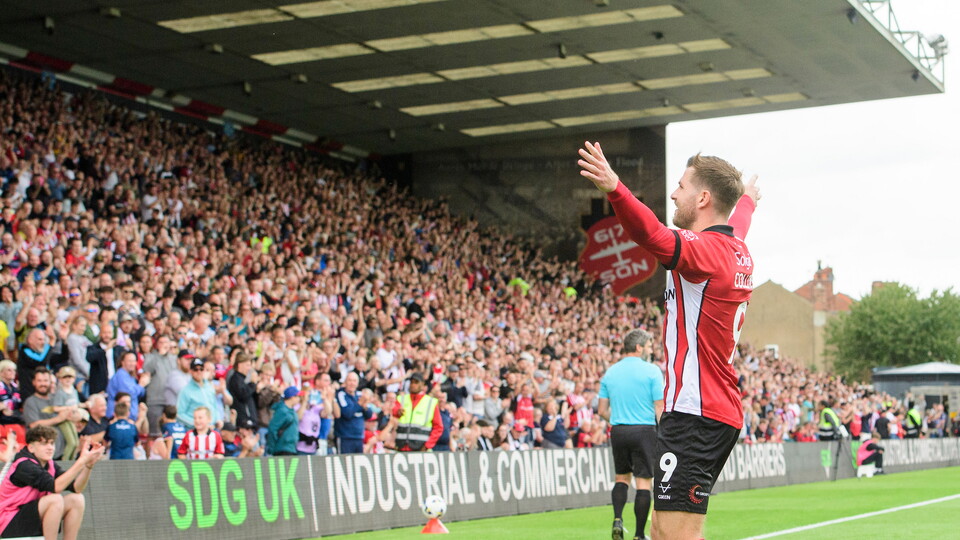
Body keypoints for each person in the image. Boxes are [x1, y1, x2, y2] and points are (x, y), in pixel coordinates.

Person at [579, 142, 759, 540]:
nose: (674, 194)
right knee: (662, 531)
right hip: (706, 410)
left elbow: (651, 233)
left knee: (677, 536)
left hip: (697, 413)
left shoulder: (706, 252)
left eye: (680, 186)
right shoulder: (735, 248)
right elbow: (738, 221)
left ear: (703, 197)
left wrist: (615, 188)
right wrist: (746, 200)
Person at [598, 329, 664, 540]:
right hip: (644, 430)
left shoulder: (610, 372)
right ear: (639, 347)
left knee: (621, 478)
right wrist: (664, 434)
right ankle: (638, 534)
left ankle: (617, 519)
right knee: (644, 482)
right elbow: (660, 409)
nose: (650, 351)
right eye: (648, 347)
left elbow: (601, 410)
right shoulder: (652, 371)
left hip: (619, 430)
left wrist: (616, 420)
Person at [0, 426, 104, 540]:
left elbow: (77, 488)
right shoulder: (24, 465)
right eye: (44, 444)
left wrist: (88, 465)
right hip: (7, 522)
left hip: (28, 517)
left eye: (52, 443)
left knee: (77, 499)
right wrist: (81, 460)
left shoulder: (49, 464)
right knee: (55, 499)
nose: (50, 448)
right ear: (31, 447)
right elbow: (56, 487)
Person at [21, 369, 67, 460]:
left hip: (63, 451)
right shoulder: (30, 402)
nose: (43, 384)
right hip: (42, 455)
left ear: (51, 382)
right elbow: (33, 424)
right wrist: (58, 419)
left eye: (46, 381)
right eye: (39, 381)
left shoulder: (56, 398)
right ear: (34, 382)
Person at [392, 372, 443, 452]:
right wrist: (397, 412)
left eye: (416, 382)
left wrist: (427, 445)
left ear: (422, 385)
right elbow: (394, 412)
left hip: (420, 448)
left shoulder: (430, 402)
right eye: (411, 382)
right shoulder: (401, 399)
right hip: (401, 446)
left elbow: (438, 427)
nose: (413, 385)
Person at [333, 372, 372, 454]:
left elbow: (369, 415)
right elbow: (347, 413)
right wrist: (359, 404)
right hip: (345, 436)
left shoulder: (360, 394)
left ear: (357, 383)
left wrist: (364, 407)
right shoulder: (341, 394)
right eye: (349, 380)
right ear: (345, 382)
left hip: (359, 436)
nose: (352, 383)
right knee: (344, 463)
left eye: (354, 381)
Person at [266, 386, 301, 456]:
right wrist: (272, 448)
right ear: (292, 397)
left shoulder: (292, 411)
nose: (299, 398)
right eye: (297, 396)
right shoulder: (282, 411)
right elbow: (273, 429)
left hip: (291, 448)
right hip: (282, 448)